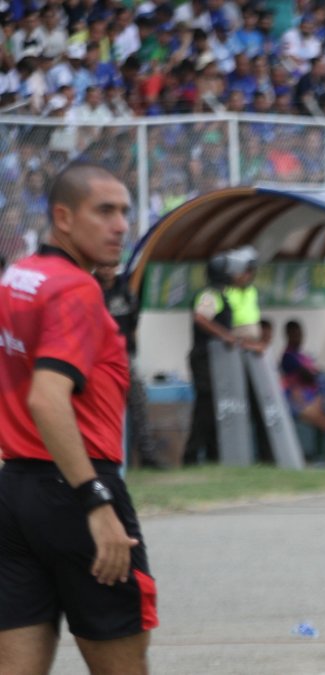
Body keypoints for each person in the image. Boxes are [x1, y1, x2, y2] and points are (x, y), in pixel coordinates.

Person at [0, 162, 157, 674]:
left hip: (15, 492)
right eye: (104, 211)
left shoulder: (19, 277)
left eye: (125, 213)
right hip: (78, 485)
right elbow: (48, 398)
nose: (120, 226)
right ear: (63, 217)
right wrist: (96, 500)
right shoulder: (74, 290)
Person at [182, 248, 250, 465]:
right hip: (204, 359)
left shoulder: (221, 295)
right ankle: (191, 456)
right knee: (206, 406)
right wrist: (225, 336)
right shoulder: (210, 295)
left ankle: (213, 455)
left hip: (215, 360)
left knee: (214, 407)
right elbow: (201, 318)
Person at [95, 261, 158, 468]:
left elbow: (133, 324)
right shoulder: (90, 288)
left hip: (123, 356)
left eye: (111, 267)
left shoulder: (126, 292)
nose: (107, 270)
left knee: (139, 400)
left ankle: (147, 455)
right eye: (104, 266)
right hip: (97, 359)